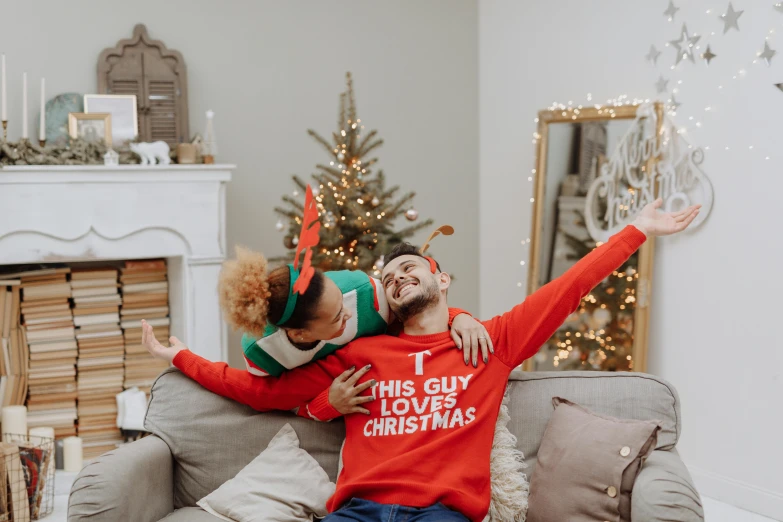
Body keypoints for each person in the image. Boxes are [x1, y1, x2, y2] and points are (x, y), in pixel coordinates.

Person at [143, 198, 699, 522]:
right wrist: (182, 356)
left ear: (442, 279)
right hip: (358, 512)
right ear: (384, 301)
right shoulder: (358, 354)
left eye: (411, 266)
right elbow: (258, 392)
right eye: (388, 277)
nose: (399, 274)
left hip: (443, 515)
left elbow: (570, 287)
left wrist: (638, 230)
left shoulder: (491, 342)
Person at [218, 246, 491, 419]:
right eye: (338, 316)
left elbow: (420, 306)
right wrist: (324, 405)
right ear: (301, 334)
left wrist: (459, 316)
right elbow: (272, 398)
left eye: (340, 298)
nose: (348, 313)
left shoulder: (362, 293)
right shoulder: (263, 355)